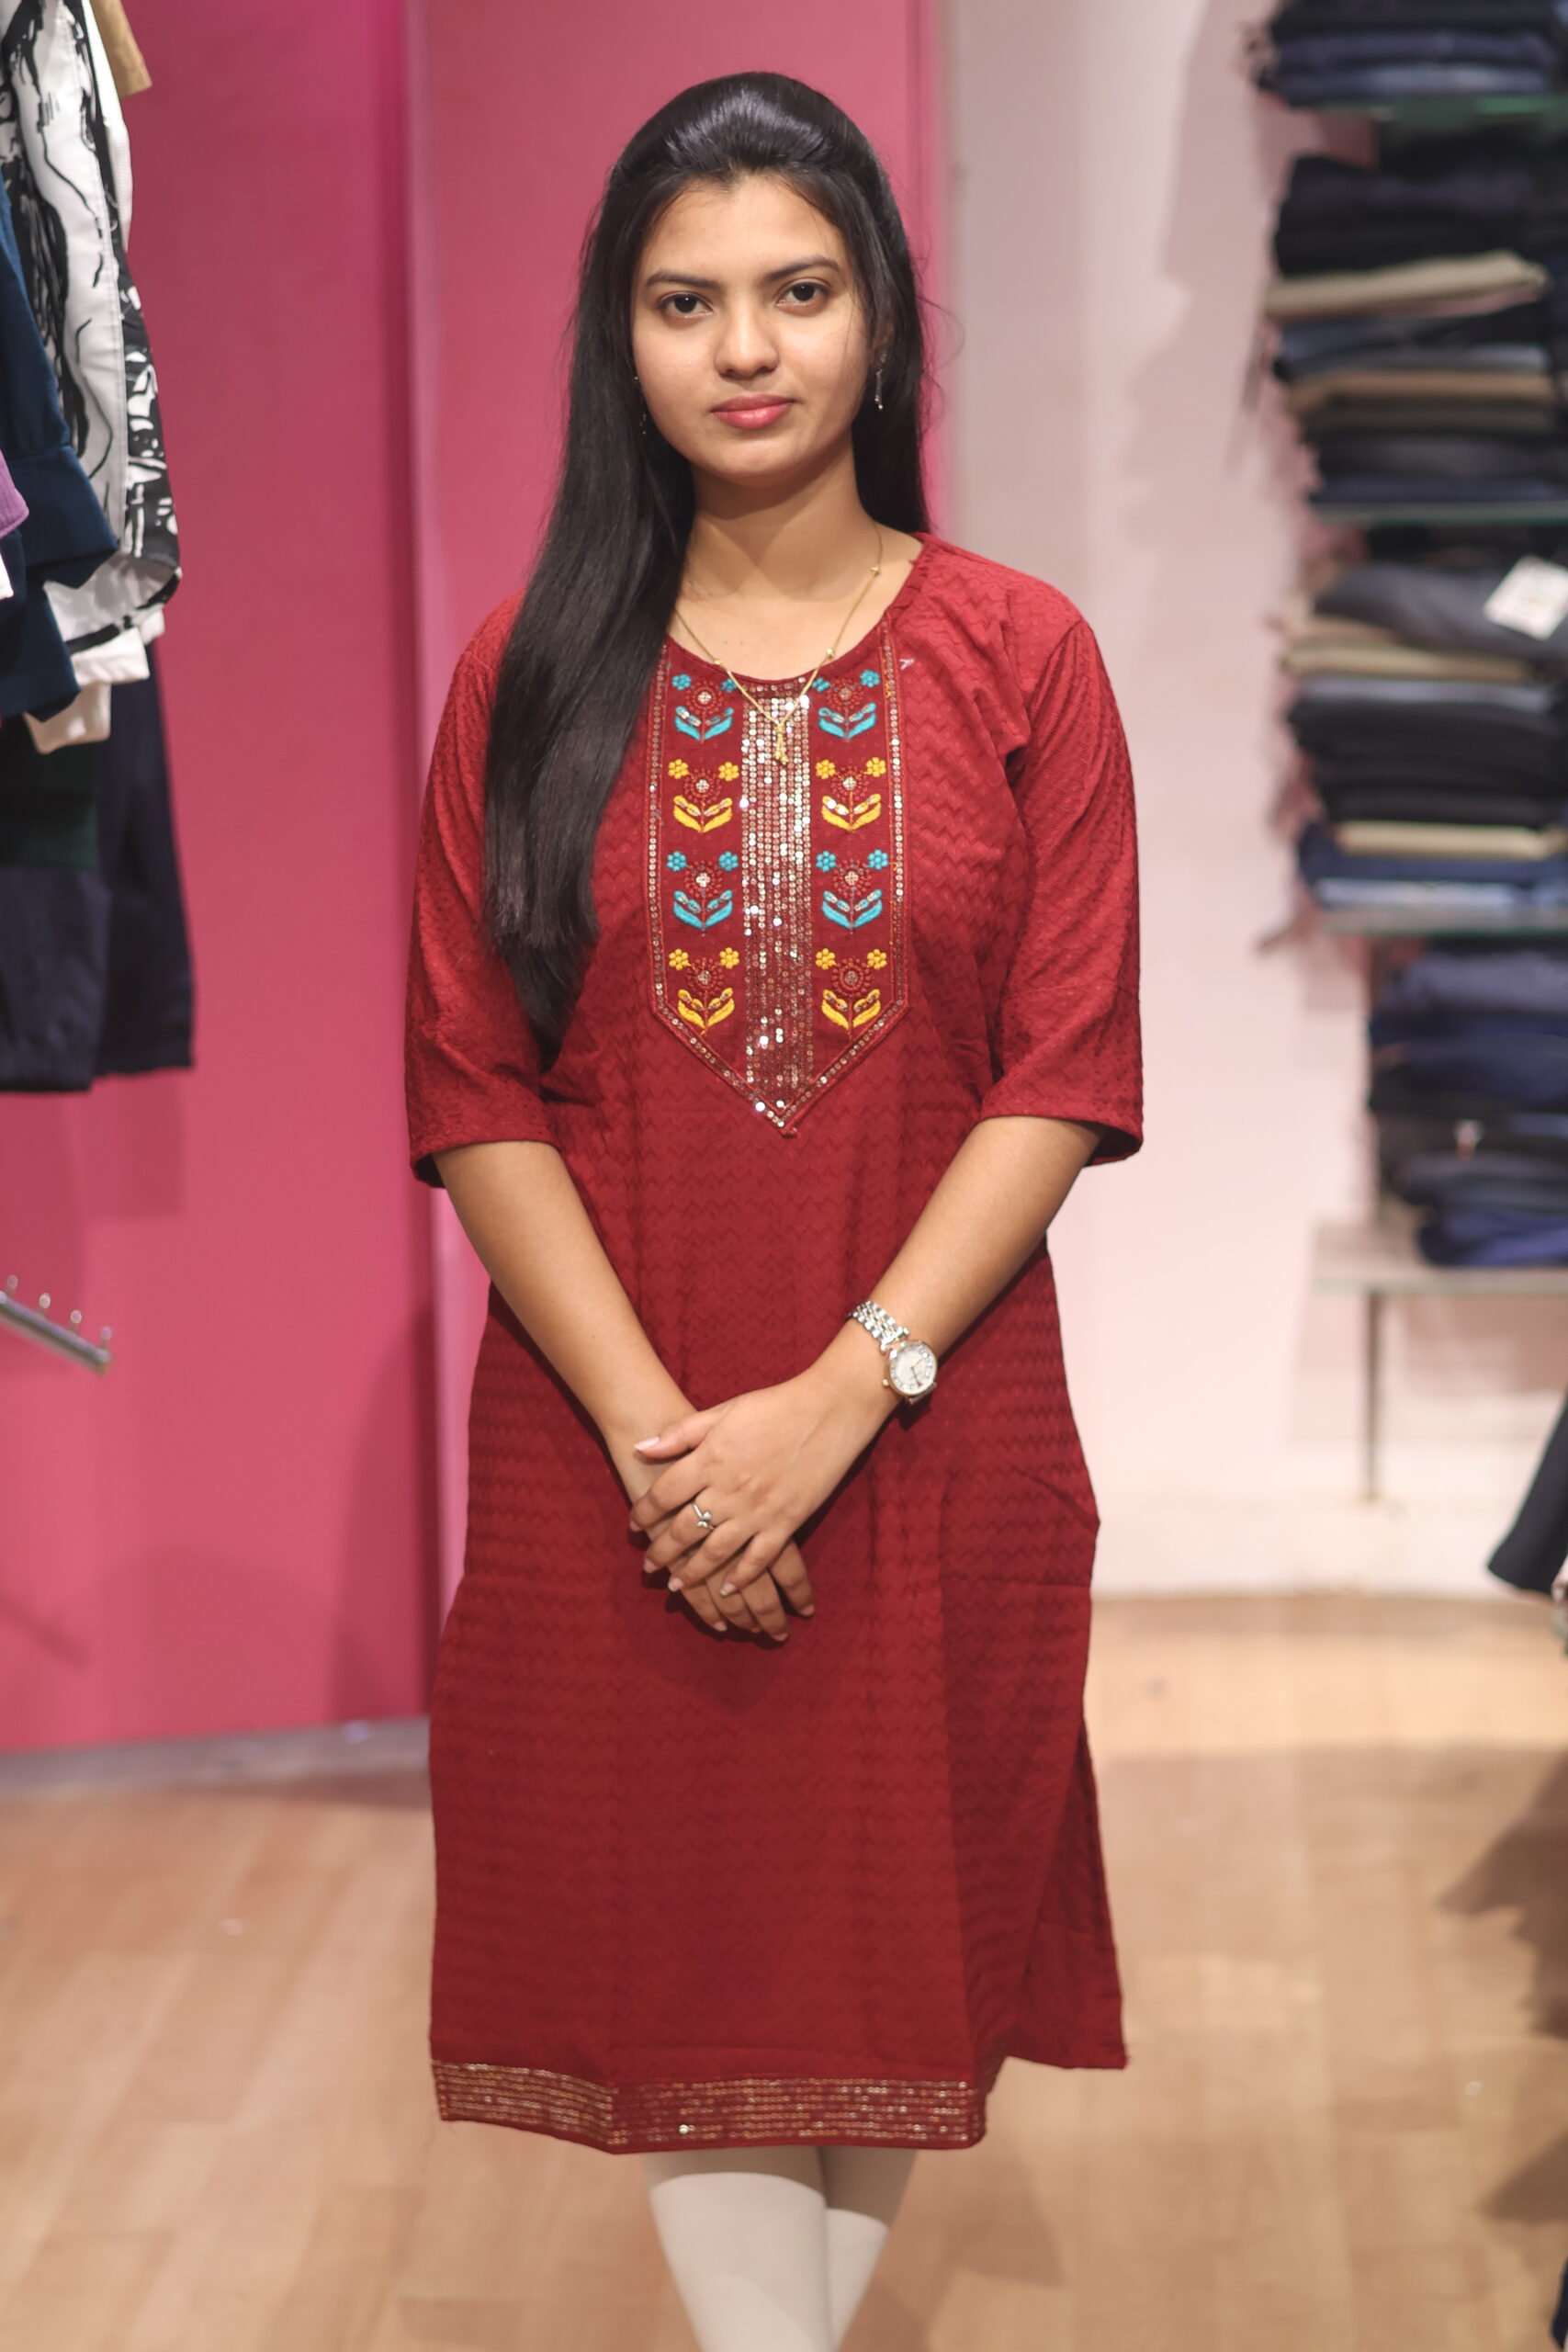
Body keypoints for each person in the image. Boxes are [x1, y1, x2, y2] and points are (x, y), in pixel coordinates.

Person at [403, 68, 1143, 2352]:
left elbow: (1064, 1066)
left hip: (930, 1422)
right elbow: (471, 1081)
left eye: (798, 291)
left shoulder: (1022, 658)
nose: (745, 347)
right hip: (611, 1444)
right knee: (693, 1964)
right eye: (683, 300)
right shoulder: (528, 673)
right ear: (616, 339)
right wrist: (671, 1446)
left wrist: (839, 1393)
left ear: (880, 321)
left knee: (879, 1963)